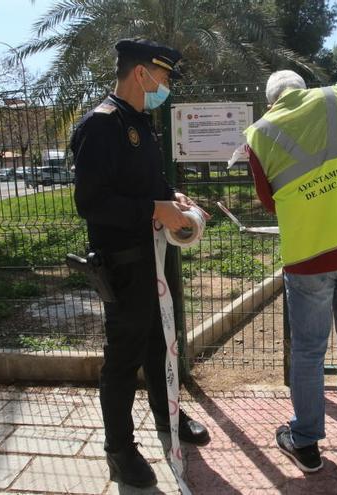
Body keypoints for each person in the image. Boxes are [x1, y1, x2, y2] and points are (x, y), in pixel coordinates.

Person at [70, 38, 211, 488]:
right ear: (141, 74)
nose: (166, 86)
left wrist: (171, 198)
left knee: (161, 343)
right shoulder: (101, 125)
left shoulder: (139, 121)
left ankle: (168, 418)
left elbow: (148, 182)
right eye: (164, 78)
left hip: (156, 257)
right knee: (123, 359)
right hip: (125, 264)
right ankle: (120, 451)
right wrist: (154, 208)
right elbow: (92, 204)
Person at [244, 70, 337, 473]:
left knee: (309, 350)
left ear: (271, 101)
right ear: (302, 89)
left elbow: (268, 200)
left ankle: (306, 441)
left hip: (309, 254)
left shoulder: (260, 132)